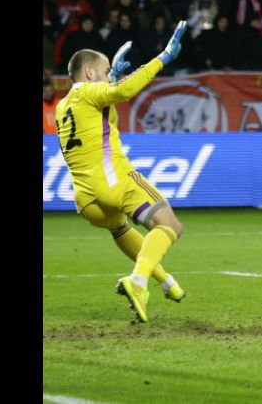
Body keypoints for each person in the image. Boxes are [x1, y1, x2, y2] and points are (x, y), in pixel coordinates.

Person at [55, 21, 189, 323]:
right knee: (169, 225)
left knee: (120, 228)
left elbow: (106, 119)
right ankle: (138, 282)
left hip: (86, 200)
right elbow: (125, 90)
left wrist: (112, 78)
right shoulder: (89, 93)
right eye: (104, 72)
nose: (109, 78)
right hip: (112, 179)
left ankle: (164, 281)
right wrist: (164, 57)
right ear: (89, 74)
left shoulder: (63, 106)